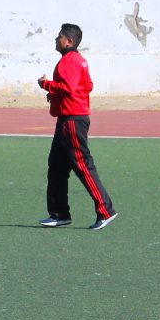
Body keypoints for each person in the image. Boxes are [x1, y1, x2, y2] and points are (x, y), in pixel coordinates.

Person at [37, 23, 117, 231]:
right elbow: (86, 86)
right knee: (56, 167)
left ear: (69, 41)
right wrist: (56, 96)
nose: (56, 39)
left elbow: (69, 87)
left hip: (72, 120)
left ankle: (105, 210)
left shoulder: (69, 60)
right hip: (68, 117)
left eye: (60, 36)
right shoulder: (79, 61)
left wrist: (46, 85)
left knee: (82, 166)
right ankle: (59, 214)